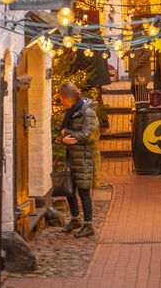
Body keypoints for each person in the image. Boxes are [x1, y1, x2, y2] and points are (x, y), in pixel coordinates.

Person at [57, 82, 101, 237]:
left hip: (85, 158)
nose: (61, 102)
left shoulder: (87, 112)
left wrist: (67, 133)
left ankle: (89, 225)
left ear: (70, 98)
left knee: (83, 192)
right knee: (70, 190)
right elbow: (61, 133)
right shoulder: (70, 112)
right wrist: (64, 139)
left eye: (62, 99)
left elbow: (88, 135)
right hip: (73, 157)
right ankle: (75, 219)